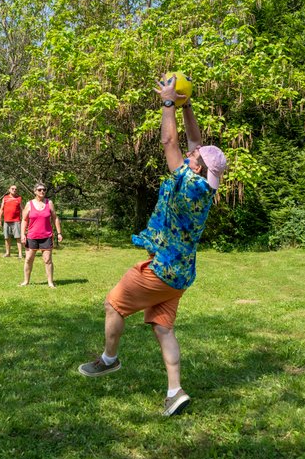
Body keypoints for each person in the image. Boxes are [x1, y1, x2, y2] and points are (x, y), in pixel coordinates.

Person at [76, 75, 227, 417]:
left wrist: (169, 103)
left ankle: (109, 359)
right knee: (163, 328)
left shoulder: (186, 183)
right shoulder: (206, 186)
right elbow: (194, 141)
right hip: (180, 276)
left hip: (159, 269)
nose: (191, 152)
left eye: (194, 156)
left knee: (113, 304)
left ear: (197, 165)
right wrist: (187, 106)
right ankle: (175, 391)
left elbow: (169, 140)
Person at [20, 183, 62, 288]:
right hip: (32, 236)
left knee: (48, 260)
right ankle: (26, 281)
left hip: (46, 236)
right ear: (35, 191)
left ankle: (50, 282)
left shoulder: (49, 203)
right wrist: (22, 234)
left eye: (44, 189)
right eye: (39, 190)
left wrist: (59, 233)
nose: (42, 191)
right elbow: (24, 220)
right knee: (28, 259)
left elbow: (55, 218)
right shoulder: (29, 204)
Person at [0, 184, 23, 259]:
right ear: (9, 190)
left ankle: (20, 254)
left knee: (18, 237)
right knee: (7, 237)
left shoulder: (19, 198)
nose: (14, 190)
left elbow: (22, 209)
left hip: (16, 221)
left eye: (15, 189)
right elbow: (1, 209)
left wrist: (24, 220)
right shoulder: (5, 198)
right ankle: (7, 253)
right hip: (6, 221)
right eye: (12, 189)